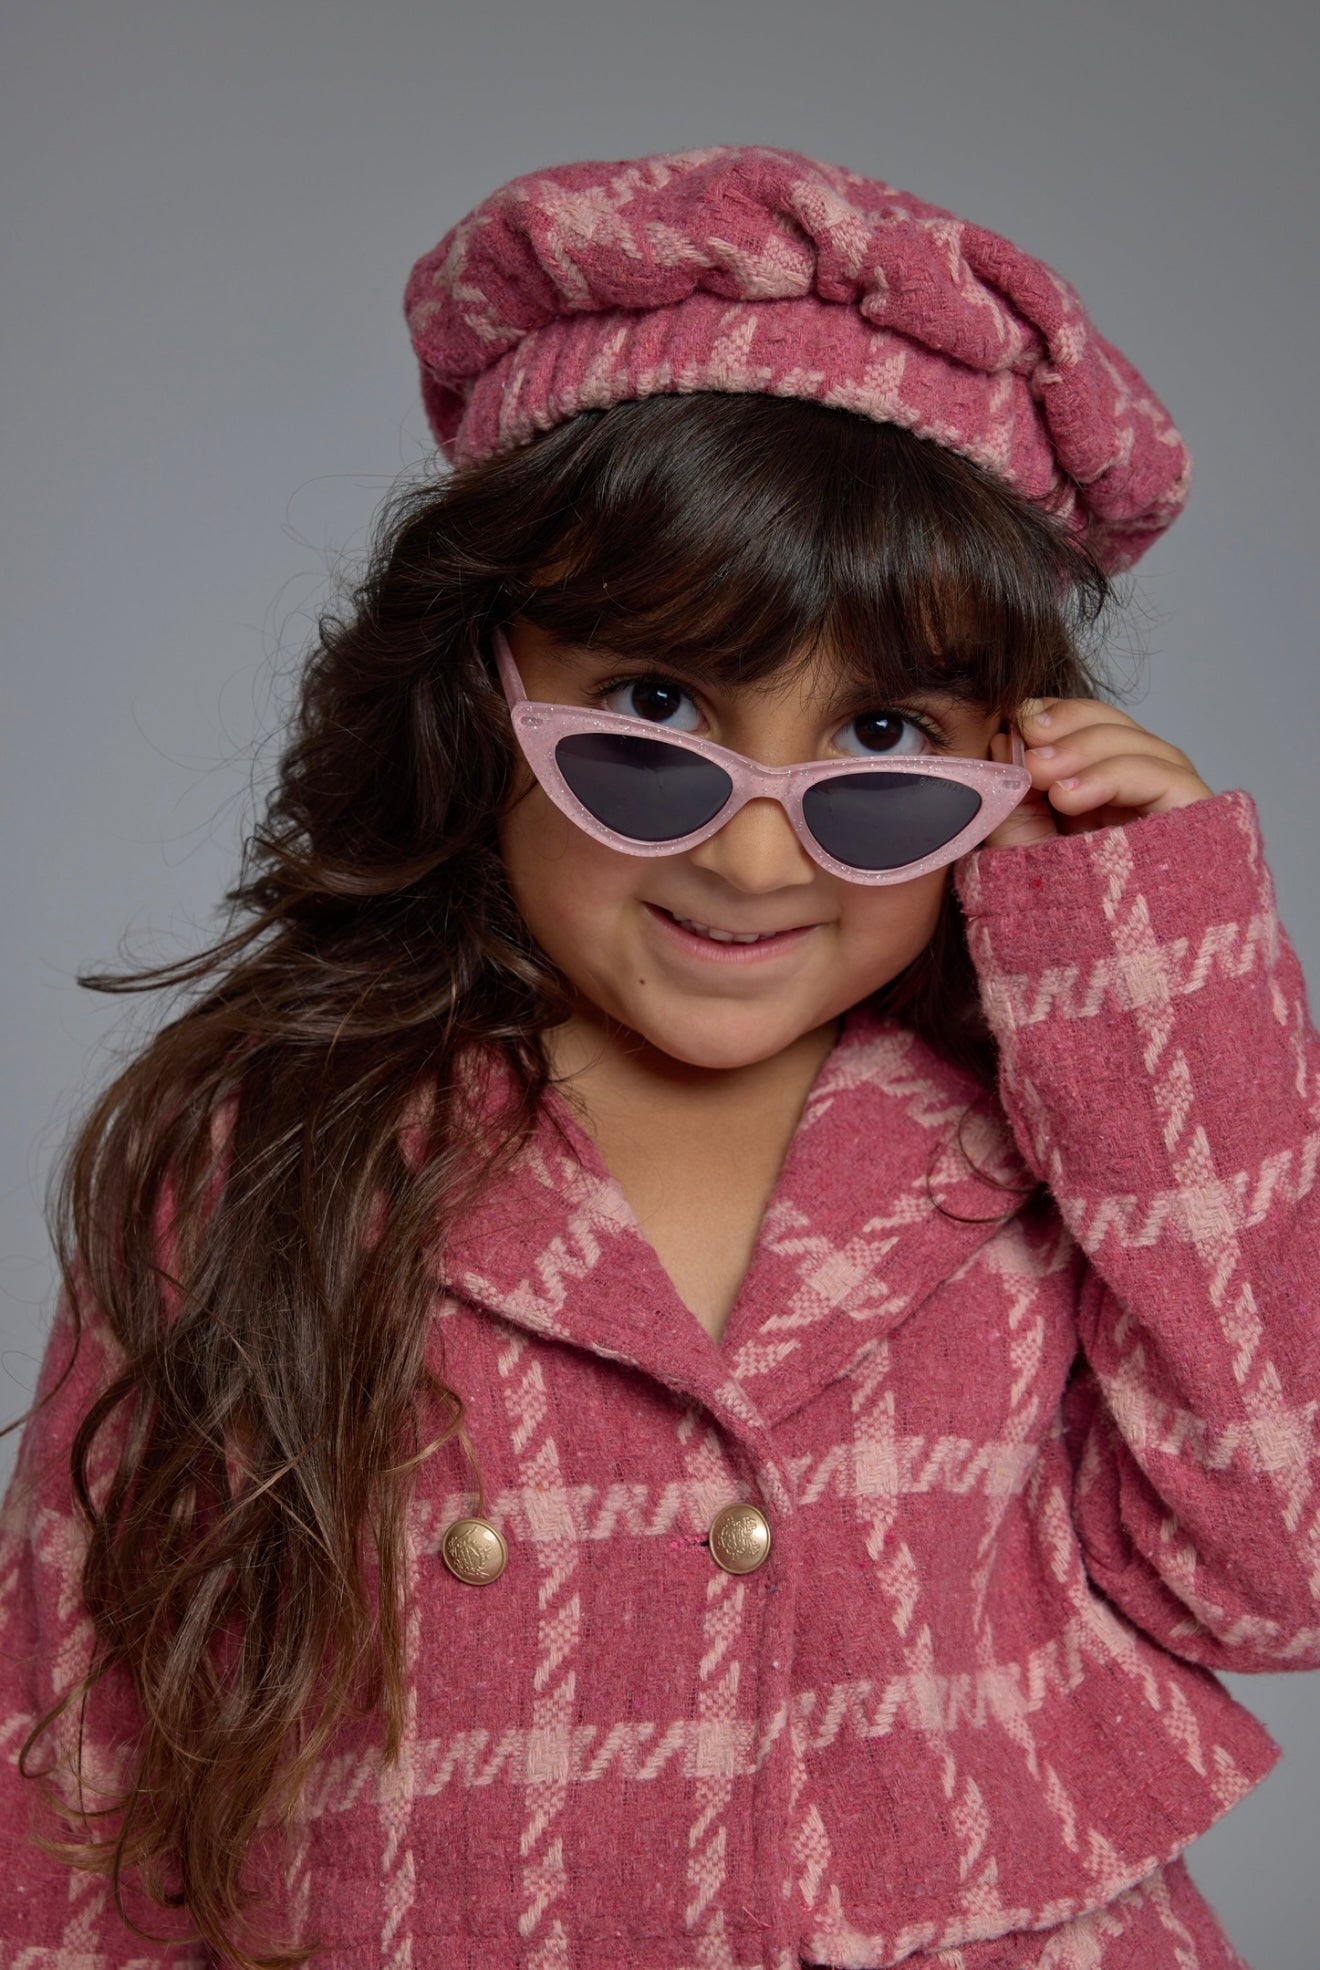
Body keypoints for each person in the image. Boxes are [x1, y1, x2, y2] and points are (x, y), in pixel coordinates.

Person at [1, 144, 1315, 1970]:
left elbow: (1281, 1567)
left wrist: (1151, 976)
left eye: (881, 741)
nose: (756, 854)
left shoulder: (1049, 1142)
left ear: (1003, 765)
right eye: (654, 713)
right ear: (481, 696)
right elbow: (75, 1745)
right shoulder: (263, 1152)